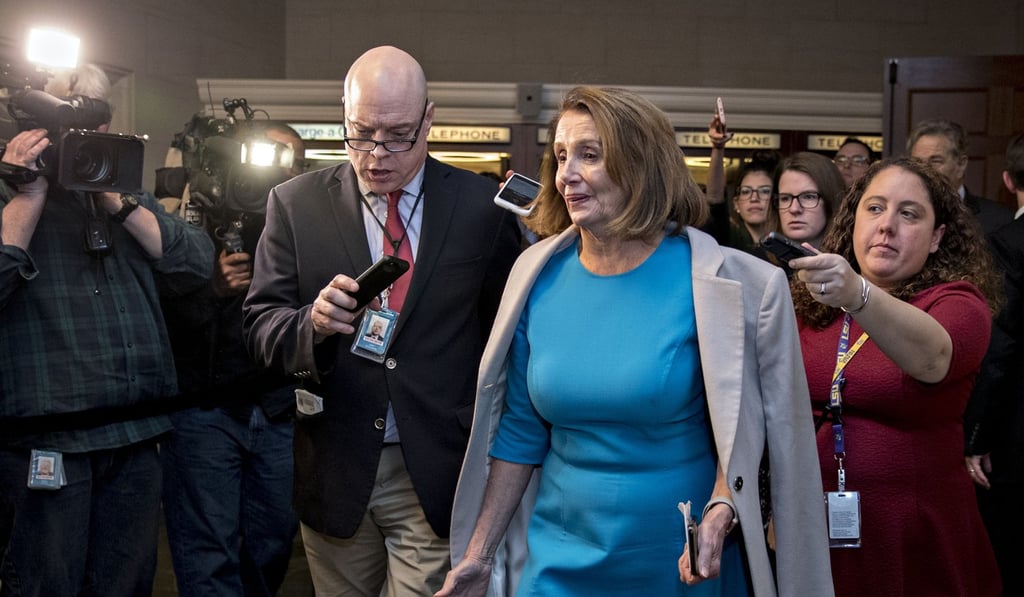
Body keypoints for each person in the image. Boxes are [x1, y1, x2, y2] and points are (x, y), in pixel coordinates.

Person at [437, 86, 833, 597]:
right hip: (557, 559)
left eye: (590, 155)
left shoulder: (719, 282)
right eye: (561, 156)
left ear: (641, 165)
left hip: (680, 561)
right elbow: (519, 432)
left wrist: (722, 506)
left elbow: (749, 428)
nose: (566, 174)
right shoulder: (536, 277)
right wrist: (479, 556)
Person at [241, 45, 521, 596]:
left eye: (398, 135)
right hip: (336, 461)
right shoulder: (294, 205)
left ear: (429, 119)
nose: (377, 153)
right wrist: (311, 325)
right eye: (361, 132)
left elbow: (504, 333)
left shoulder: (480, 206)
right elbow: (259, 326)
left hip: (437, 464)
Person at [0, 63, 215, 595]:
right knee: (45, 583)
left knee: (127, 584)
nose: (80, 141)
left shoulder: (119, 195)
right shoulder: (9, 198)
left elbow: (196, 266)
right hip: (47, 438)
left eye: (92, 127)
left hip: (137, 434)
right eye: (64, 127)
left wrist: (116, 200)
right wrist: (27, 198)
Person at [788, 157, 1003, 596]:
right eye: (875, 208)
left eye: (909, 214)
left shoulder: (958, 302)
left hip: (914, 530)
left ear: (938, 237)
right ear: (852, 221)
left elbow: (932, 358)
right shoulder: (814, 302)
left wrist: (858, 294)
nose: (887, 226)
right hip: (815, 520)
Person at [159, 121, 307, 597]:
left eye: (293, 163)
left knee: (272, 543)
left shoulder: (309, 225)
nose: (280, 173)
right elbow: (158, 318)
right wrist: (213, 287)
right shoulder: (193, 219)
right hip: (206, 412)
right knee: (206, 548)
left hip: (281, 409)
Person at [964, 131, 1024, 594]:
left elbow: (999, 345)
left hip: (1015, 431)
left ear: (1008, 180)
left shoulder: (1006, 243)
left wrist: (977, 434)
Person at [907, 118, 1013, 235]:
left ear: (961, 164)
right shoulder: (896, 218)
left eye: (936, 161)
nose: (925, 170)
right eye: (918, 162)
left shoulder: (998, 221)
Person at [702, 114, 782, 253]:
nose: (754, 198)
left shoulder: (785, 241)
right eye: (746, 191)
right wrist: (718, 148)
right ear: (736, 204)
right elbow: (715, 199)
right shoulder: (730, 238)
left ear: (777, 199)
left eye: (764, 191)